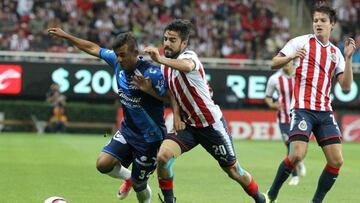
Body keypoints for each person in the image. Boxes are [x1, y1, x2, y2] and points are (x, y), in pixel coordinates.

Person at [140, 19, 266, 203]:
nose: (167, 43)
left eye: (172, 40)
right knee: (163, 156)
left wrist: (160, 59)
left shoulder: (189, 57)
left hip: (211, 126)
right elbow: (173, 94)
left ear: (184, 43)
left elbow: (187, 66)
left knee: (233, 171)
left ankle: (260, 199)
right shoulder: (165, 67)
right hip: (188, 126)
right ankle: (169, 200)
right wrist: (175, 114)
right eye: (165, 38)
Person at [48, 27, 170, 203]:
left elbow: (171, 97)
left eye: (122, 55)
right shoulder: (117, 62)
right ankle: (128, 177)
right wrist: (66, 36)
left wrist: (149, 90)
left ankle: (138, 187)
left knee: (139, 186)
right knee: (103, 164)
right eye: (117, 55)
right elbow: (93, 48)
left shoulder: (152, 73)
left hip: (149, 139)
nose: (119, 59)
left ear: (135, 52)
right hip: (128, 131)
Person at [266, 5, 356, 203]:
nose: (318, 24)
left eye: (323, 20)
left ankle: (316, 201)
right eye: (315, 20)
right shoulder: (300, 42)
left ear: (332, 25)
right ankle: (272, 193)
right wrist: (291, 57)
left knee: (336, 160)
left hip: (324, 112)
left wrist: (348, 58)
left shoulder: (336, 53)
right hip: (302, 109)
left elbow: (347, 86)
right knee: (297, 154)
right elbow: (273, 63)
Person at [264, 61, 306, 186]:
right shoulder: (274, 79)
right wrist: (272, 105)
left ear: (292, 64)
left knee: (297, 147)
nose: (286, 67)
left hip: (300, 116)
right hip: (283, 118)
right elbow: (268, 96)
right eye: (284, 65)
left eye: (288, 64)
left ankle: (299, 161)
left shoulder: (300, 74)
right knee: (289, 145)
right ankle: (295, 176)